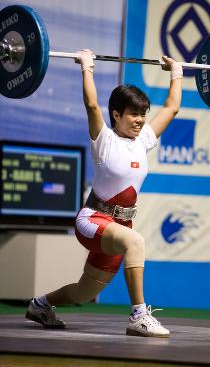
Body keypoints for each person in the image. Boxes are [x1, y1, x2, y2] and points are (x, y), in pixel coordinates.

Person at [25, 49, 183, 338]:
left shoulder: (144, 139)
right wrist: (87, 66)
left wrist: (176, 71)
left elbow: (172, 108)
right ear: (116, 114)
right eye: (133, 114)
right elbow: (91, 105)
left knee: (83, 293)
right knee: (135, 242)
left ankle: (40, 305)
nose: (140, 120)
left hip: (119, 226)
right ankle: (139, 315)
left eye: (142, 114)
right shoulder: (104, 140)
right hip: (92, 220)